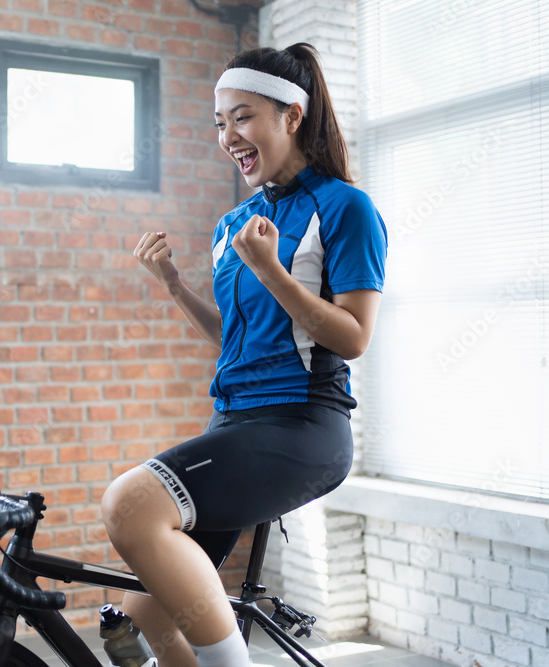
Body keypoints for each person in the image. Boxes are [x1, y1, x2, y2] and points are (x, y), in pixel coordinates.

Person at [101, 43, 388, 667]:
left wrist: (274, 272)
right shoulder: (236, 223)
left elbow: (353, 338)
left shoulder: (345, 208)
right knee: (131, 626)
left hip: (301, 424)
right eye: (220, 122)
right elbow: (234, 336)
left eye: (244, 116)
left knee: (128, 503)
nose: (229, 135)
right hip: (233, 421)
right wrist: (174, 286)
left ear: (291, 116)